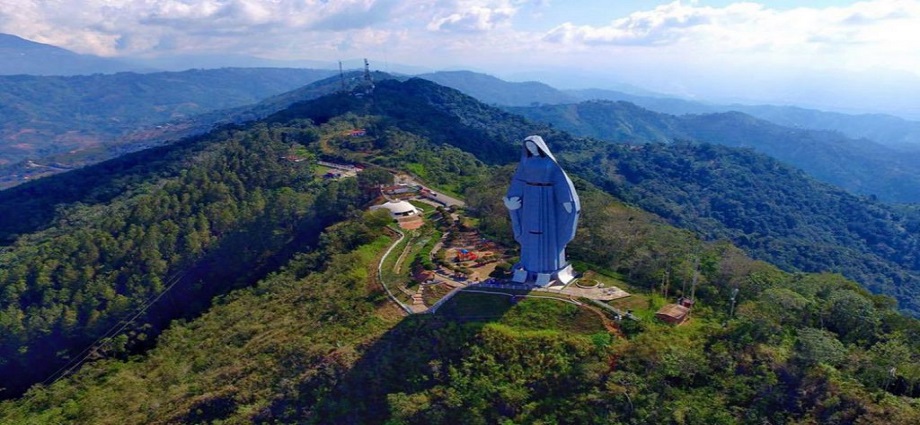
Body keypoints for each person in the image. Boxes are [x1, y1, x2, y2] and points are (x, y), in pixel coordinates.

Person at [503, 135, 580, 285]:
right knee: (529, 231)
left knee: (549, 230)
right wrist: (512, 199)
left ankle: (550, 268)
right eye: (528, 147)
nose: (531, 149)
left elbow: (561, 181)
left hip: (547, 198)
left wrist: (566, 201)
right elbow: (518, 180)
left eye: (533, 146)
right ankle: (529, 268)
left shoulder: (550, 163)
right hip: (530, 197)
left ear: (540, 146)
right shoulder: (525, 162)